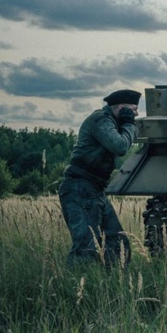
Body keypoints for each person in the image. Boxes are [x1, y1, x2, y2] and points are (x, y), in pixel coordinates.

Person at [59, 88, 140, 266]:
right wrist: (129, 125)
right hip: (79, 187)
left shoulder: (112, 122)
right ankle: (75, 288)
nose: (136, 113)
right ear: (120, 108)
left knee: (118, 244)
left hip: (94, 189)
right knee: (86, 248)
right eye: (133, 109)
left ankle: (113, 284)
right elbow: (120, 146)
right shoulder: (100, 120)